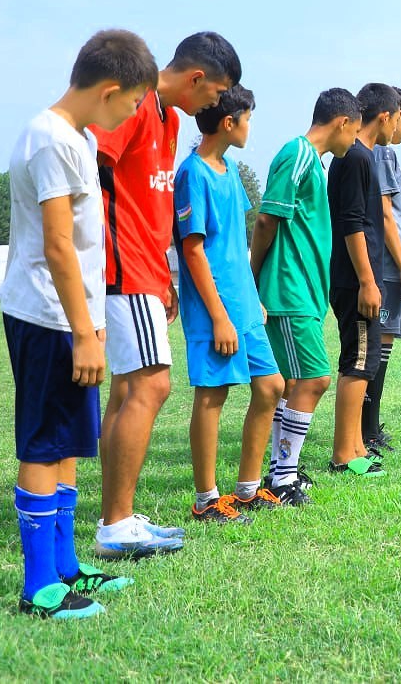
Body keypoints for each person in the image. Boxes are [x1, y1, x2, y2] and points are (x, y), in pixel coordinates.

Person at [0, 29, 157, 618]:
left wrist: (89, 325)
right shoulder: (50, 140)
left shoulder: (76, 138)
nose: (133, 113)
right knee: (43, 443)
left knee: (67, 440)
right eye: (134, 103)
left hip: (70, 316)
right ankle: (39, 586)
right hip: (47, 315)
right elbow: (59, 247)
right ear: (111, 89)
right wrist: (85, 332)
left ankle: (65, 567)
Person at [91, 32, 241, 557]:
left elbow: (152, 203)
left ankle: (118, 516)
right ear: (197, 78)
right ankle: (116, 524)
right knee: (152, 388)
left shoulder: (170, 120)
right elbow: (95, 177)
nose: (214, 105)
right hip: (121, 268)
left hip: (148, 271)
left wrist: (163, 271)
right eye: (215, 93)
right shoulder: (132, 105)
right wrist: (116, 264)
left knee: (127, 391)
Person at [174, 86, 286, 522]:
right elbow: (194, 250)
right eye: (248, 118)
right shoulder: (193, 174)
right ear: (229, 122)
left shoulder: (230, 170)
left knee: (271, 386)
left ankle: (247, 489)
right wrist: (220, 316)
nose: (250, 127)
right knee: (212, 395)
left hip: (242, 304)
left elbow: (236, 245)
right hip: (212, 309)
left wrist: (251, 298)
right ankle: (206, 500)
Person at [252, 88, 364, 505]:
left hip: (306, 292)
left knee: (294, 383)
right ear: (342, 123)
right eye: (353, 131)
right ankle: (281, 479)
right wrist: (252, 278)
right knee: (315, 379)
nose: (353, 141)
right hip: (289, 290)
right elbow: (266, 220)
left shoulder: (313, 162)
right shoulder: (297, 154)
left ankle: (283, 473)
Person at [325, 83, 397, 475]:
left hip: (359, 278)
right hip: (356, 281)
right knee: (357, 361)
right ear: (383, 116)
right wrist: (368, 281)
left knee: (365, 361)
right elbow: (353, 223)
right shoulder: (355, 158)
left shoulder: (359, 156)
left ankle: (355, 448)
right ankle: (344, 455)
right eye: (398, 117)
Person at [363, 86, 401, 453]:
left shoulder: (384, 153)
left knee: (379, 347)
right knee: (375, 348)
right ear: (395, 114)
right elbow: (385, 214)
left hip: (387, 266)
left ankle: (368, 426)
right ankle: (367, 430)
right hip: (385, 267)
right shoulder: (383, 152)